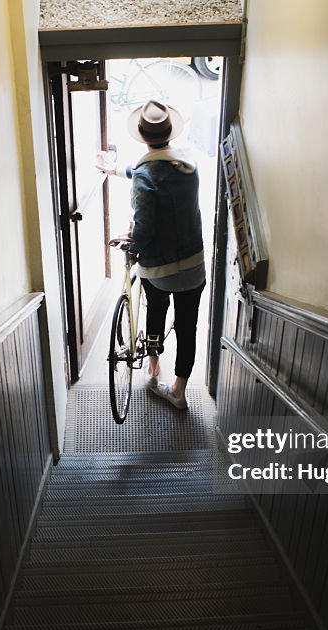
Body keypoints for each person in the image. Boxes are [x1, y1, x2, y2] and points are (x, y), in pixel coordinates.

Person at [97, 100, 204, 410]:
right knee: (187, 327)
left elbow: (144, 227)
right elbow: (148, 169)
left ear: (141, 136)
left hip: (160, 270)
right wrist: (116, 169)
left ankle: (153, 369)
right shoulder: (188, 162)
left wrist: (129, 238)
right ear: (170, 133)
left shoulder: (145, 177)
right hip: (194, 267)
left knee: (156, 312)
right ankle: (179, 390)